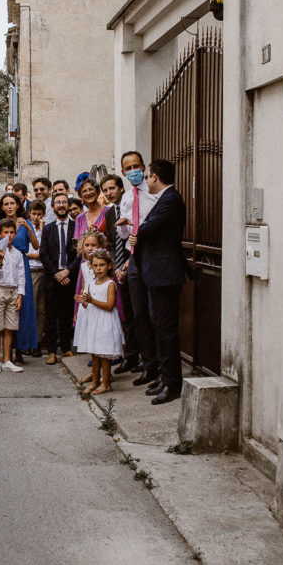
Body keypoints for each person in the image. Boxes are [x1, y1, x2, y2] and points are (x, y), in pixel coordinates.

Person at [128, 159, 188, 405]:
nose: (145, 179)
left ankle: (172, 383)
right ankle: (165, 377)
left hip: (164, 275)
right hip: (156, 274)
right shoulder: (164, 199)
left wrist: (137, 233)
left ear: (154, 177)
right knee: (159, 328)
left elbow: (146, 229)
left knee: (166, 330)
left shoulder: (171, 199)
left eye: (147, 175)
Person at [114, 151, 160, 384]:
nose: (133, 171)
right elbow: (124, 234)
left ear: (143, 167)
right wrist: (123, 226)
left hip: (152, 257)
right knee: (138, 313)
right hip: (133, 260)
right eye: (128, 168)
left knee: (154, 314)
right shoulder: (126, 198)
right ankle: (148, 364)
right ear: (123, 172)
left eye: (136, 166)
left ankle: (158, 362)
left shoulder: (154, 193)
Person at [0, 193, 38, 363]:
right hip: (5, 265)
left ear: (18, 205)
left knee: (23, 307)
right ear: (2, 207)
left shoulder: (25, 222)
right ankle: (8, 351)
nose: (10, 206)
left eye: (13, 203)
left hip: (23, 266)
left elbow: (36, 245)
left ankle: (20, 349)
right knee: (7, 307)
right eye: (6, 204)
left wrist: (28, 229)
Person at [73, 250, 123, 395]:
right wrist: (83, 302)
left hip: (106, 322)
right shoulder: (91, 284)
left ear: (108, 266)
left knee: (104, 354)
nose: (98, 268)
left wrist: (92, 301)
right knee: (95, 353)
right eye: (95, 265)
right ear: (91, 267)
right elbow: (90, 305)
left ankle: (106, 383)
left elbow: (109, 306)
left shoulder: (110, 284)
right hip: (94, 322)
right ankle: (95, 382)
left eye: (102, 265)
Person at [101, 172, 136, 374]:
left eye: (112, 188)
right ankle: (130, 357)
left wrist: (128, 264)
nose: (109, 192)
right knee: (128, 316)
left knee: (140, 315)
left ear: (121, 188)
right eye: (105, 190)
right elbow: (113, 245)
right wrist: (116, 267)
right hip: (120, 269)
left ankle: (145, 358)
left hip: (135, 264)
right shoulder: (109, 213)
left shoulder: (131, 206)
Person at [39, 192, 78, 365]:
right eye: (58, 203)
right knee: (50, 315)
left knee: (66, 313)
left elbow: (79, 253)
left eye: (64, 202)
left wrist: (68, 271)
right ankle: (52, 351)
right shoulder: (47, 228)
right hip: (52, 278)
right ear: (53, 207)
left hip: (70, 277)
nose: (61, 205)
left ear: (68, 206)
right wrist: (57, 273)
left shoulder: (76, 226)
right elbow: (43, 254)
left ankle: (66, 347)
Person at [0, 219, 25, 374]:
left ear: (15, 234)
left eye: (11, 233)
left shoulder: (18, 254)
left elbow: (21, 275)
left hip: (13, 291)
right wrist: (0, 260)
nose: (8, 236)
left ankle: (7, 360)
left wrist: (20, 295)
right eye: (5, 232)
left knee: (10, 328)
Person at [27, 199, 47, 356]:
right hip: (31, 271)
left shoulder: (45, 229)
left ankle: (38, 340)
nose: (36, 217)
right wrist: (35, 255)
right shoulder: (27, 229)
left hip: (44, 271)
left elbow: (47, 250)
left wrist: (37, 255)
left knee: (41, 309)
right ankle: (30, 341)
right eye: (33, 214)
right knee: (31, 308)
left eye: (39, 214)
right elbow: (25, 252)